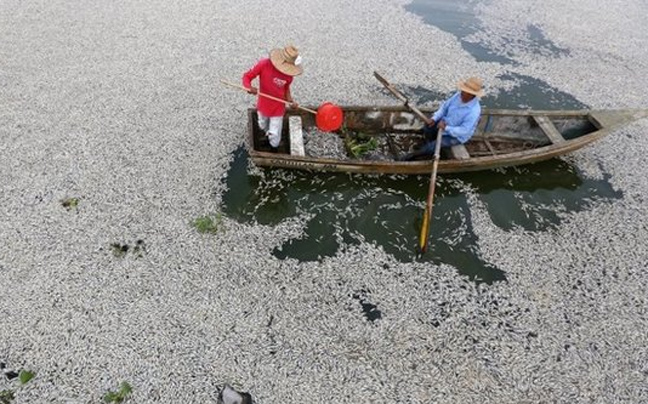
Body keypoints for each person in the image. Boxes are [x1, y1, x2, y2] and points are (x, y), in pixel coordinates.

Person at [400, 77, 484, 161]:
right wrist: (434, 118)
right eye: (463, 90)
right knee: (427, 127)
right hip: (444, 123)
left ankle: (413, 155)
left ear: (471, 95)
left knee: (432, 146)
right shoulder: (458, 96)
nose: (461, 92)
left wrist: (446, 128)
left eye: (465, 92)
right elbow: (444, 107)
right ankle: (429, 143)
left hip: (456, 136)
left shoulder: (473, 111)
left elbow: (463, 130)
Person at [242, 45, 303, 152]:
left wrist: (291, 102)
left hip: (278, 108)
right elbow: (247, 76)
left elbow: (286, 89)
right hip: (263, 104)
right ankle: (266, 134)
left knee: (275, 136)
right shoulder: (264, 64)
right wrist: (249, 87)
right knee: (262, 125)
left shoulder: (289, 75)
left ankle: (273, 148)